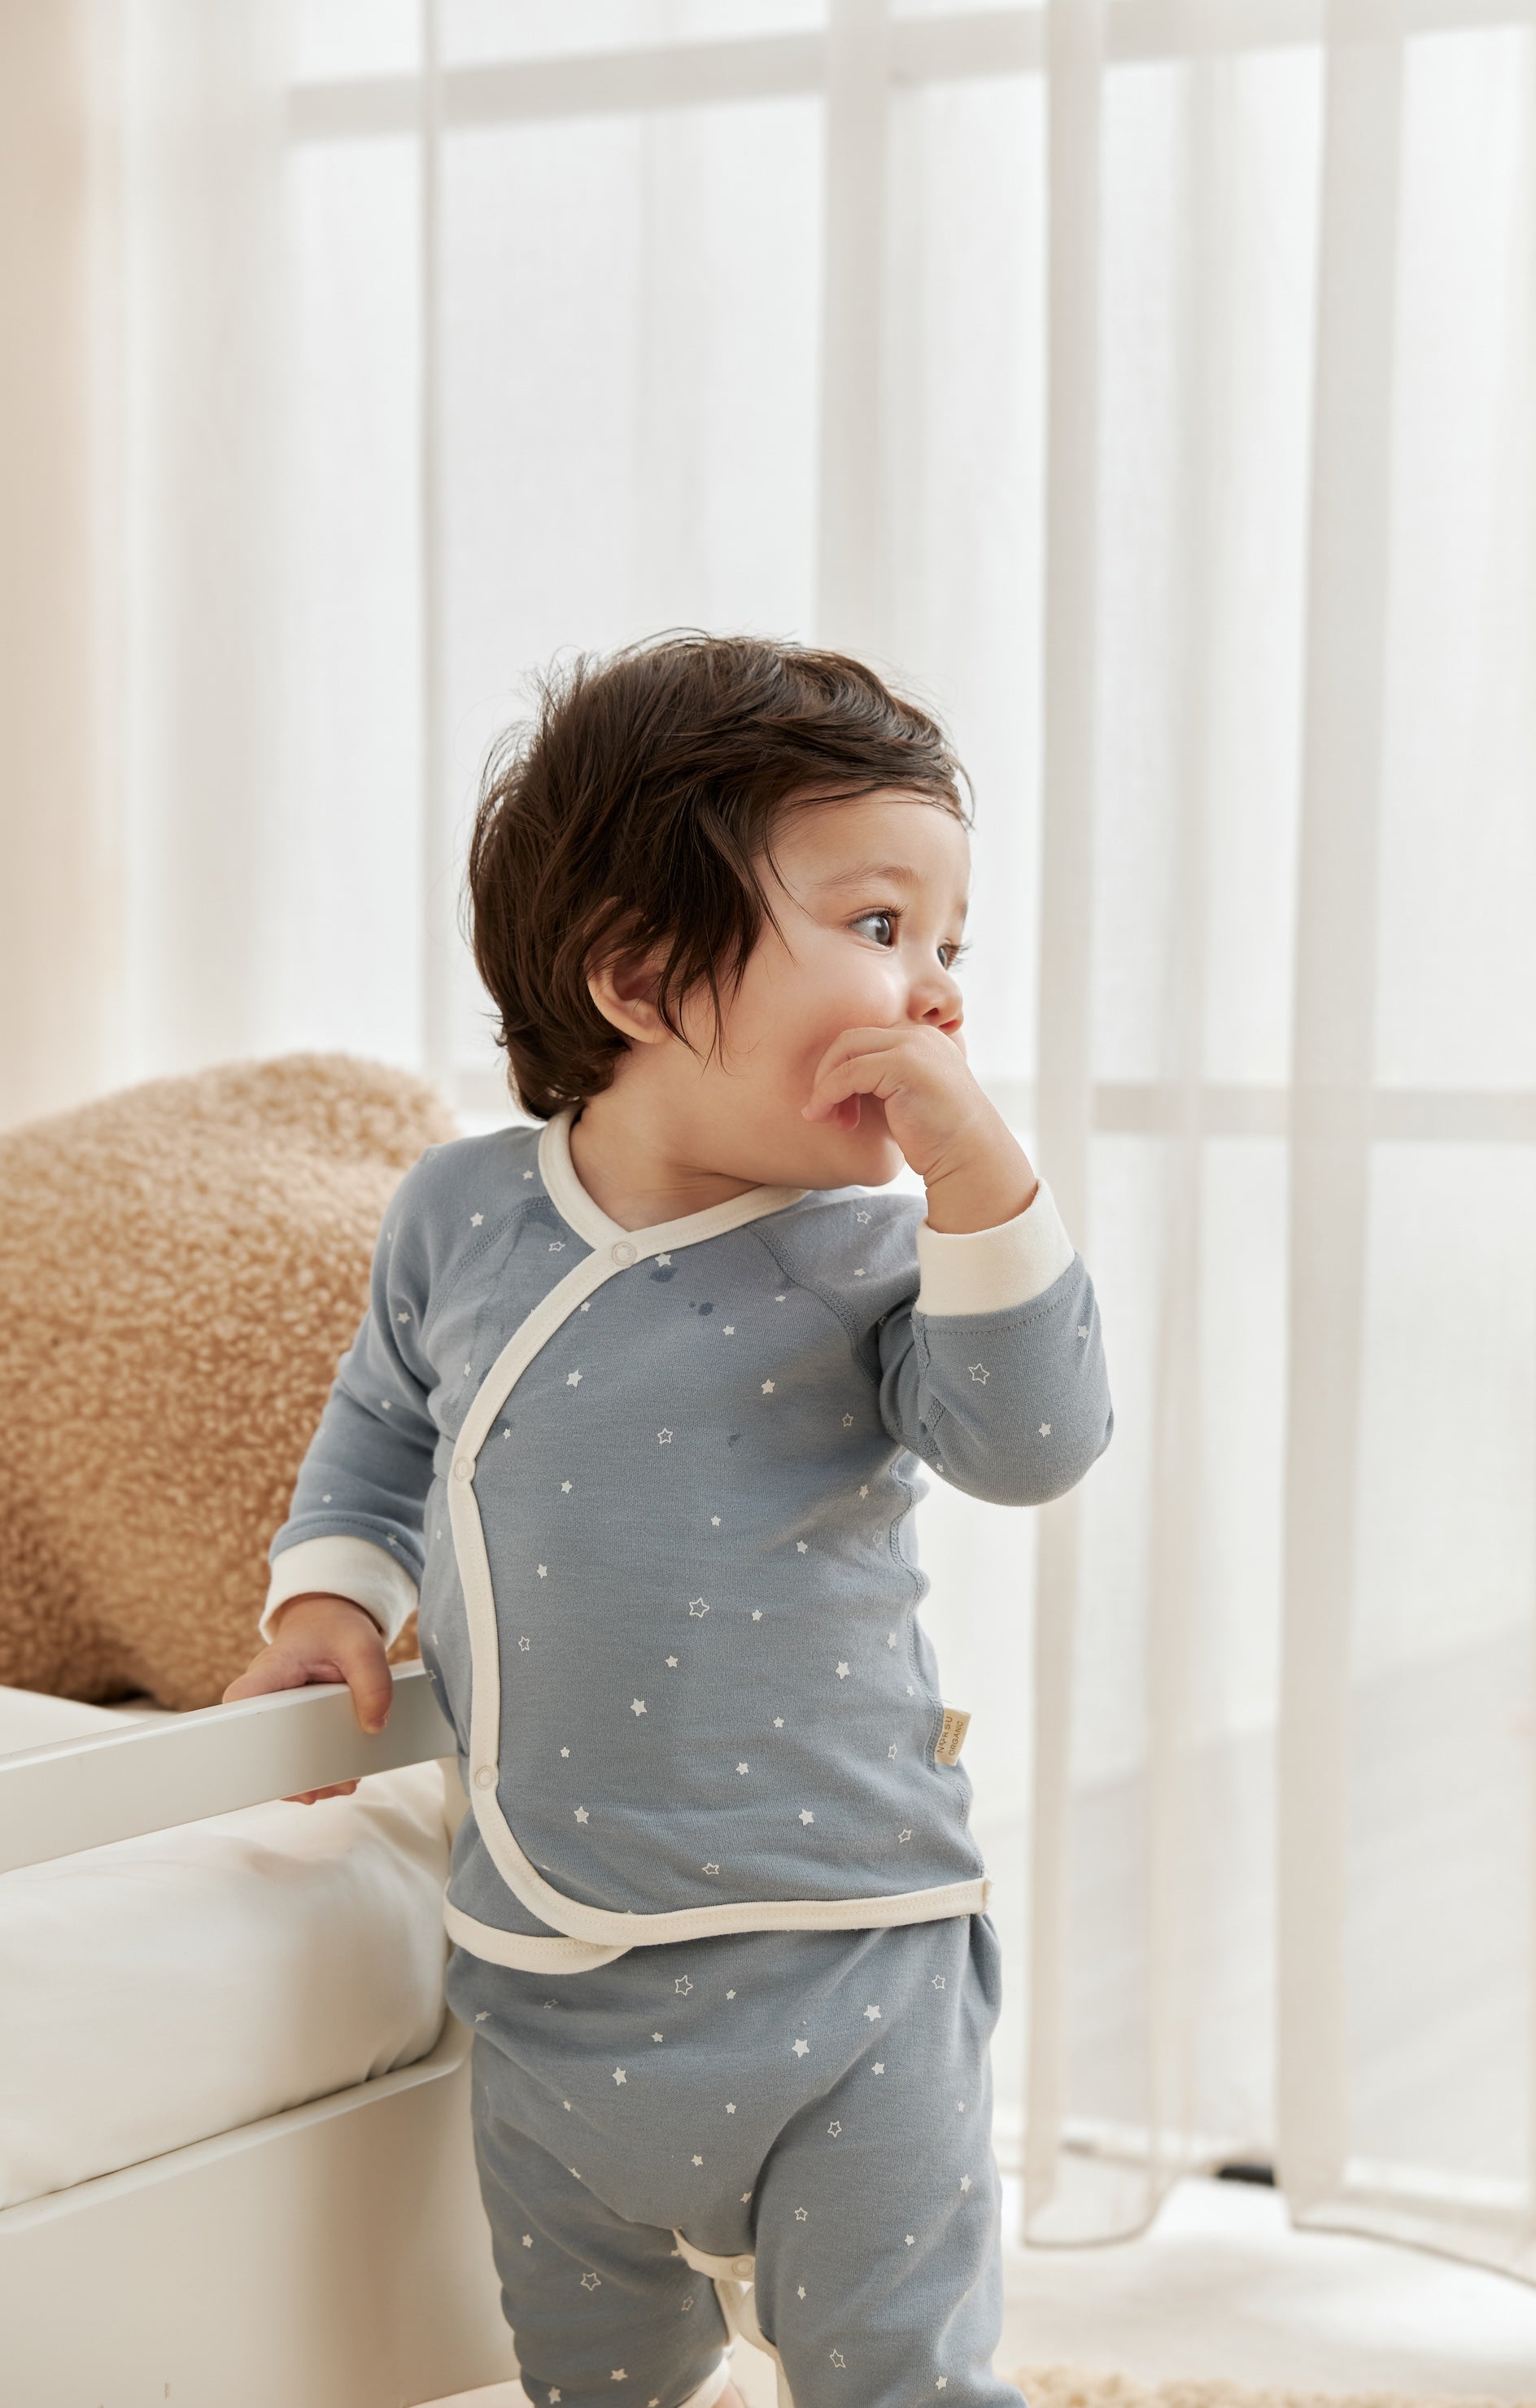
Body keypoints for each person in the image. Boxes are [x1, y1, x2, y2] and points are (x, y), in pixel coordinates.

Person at [224, 631, 1114, 2408]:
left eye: (951, 947)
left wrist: (984, 1183)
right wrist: (331, 1592)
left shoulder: (885, 1257)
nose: (932, 989)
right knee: (592, 2372)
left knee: (899, 2376)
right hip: (554, 1980)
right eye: (878, 928)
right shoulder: (463, 1217)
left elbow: (1033, 1440)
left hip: (847, 1958)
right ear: (637, 978)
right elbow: (388, 1424)